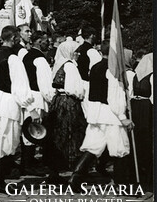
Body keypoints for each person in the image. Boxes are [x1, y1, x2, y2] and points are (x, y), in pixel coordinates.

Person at [69, 41, 133, 190]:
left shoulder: (96, 67)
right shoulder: (112, 70)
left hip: (96, 113)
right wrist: (123, 117)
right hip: (110, 115)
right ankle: (121, 185)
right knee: (120, 148)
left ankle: (75, 178)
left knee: (93, 147)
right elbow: (114, 96)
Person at [0, 26, 33, 193]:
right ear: (13, 38)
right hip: (7, 102)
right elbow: (20, 86)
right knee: (8, 142)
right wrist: (29, 105)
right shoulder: (13, 58)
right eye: (18, 38)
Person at [45, 39, 86, 181]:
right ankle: (73, 169)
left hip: (58, 102)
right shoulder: (70, 67)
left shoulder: (57, 65)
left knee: (57, 134)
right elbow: (76, 89)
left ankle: (55, 169)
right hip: (69, 103)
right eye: (76, 51)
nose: (78, 54)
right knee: (71, 133)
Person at [21, 31, 55, 175]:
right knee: (34, 131)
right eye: (46, 41)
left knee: (27, 130)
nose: (49, 43)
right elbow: (45, 83)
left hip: (27, 96)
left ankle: (27, 161)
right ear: (38, 41)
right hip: (36, 97)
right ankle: (27, 164)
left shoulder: (26, 56)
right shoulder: (40, 59)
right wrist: (51, 98)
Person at [131, 52, 153, 190]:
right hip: (146, 108)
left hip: (135, 106)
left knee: (139, 140)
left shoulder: (135, 75)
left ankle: (139, 172)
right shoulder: (152, 75)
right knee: (146, 140)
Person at [75, 25, 102, 113]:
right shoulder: (91, 51)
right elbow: (98, 70)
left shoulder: (79, 49)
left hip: (79, 83)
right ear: (91, 35)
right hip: (88, 85)